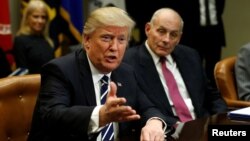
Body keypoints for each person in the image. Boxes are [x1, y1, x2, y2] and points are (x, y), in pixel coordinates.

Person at [27, 7, 167, 141]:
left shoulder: (126, 72)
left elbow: (147, 106)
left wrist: (153, 122)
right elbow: (52, 115)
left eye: (121, 39)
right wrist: (100, 115)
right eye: (106, 38)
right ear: (87, 40)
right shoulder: (60, 70)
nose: (114, 47)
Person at [123, 8, 227, 126]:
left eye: (173, 35)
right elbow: (136, 109)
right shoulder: (128, 62)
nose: (166, 40)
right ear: (148, 29)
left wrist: (221, 120)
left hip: (203, 126)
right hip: (166, 131)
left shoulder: (190, 55)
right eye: (161, 31)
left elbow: (212, 96)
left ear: (179, 38)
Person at [13, 0, 54, 74]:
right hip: (31, 84)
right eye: (36, 16)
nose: (40, 21)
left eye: (43, 17)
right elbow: (23, 73)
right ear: (27, 18)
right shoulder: (20, 40)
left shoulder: (48, 41)